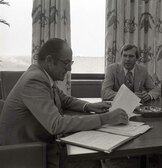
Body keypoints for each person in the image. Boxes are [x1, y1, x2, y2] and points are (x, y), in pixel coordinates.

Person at [0, 38, 129, 168]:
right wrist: (105, 118)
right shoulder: (34, 80)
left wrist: (89, 106)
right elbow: (56, 124)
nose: (69, 68)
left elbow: (64, 99)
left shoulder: (42, 75)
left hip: (41, 143)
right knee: (91, 162)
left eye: (71, 62)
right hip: (29, 154)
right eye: (66, 63)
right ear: (50, 60)